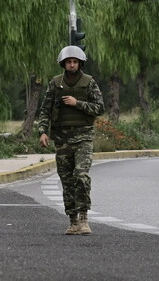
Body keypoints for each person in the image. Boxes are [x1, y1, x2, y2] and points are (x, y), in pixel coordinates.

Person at [38, 46, 105, 235]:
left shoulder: (89, 82)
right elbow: (45, 110)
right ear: (63, 64)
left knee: (81, 176)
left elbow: (100, 108)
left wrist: (78, 104)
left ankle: (84, 218)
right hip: (62, 139)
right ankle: (73, 220)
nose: (72, 65)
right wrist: (43, 131)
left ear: (80, 63)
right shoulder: (55, 83)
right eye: (69, 62)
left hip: (83, 137)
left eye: (75, 62)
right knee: (66, 181)